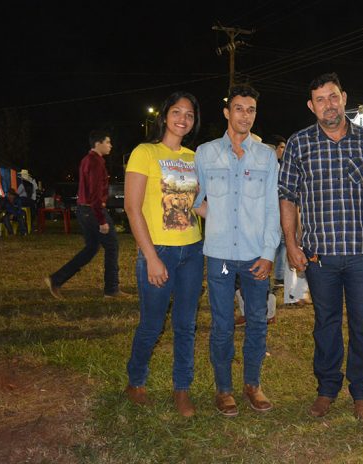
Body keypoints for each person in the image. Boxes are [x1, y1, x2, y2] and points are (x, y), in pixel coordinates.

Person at [278, 72, 363, 421]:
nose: (328, 105)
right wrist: (291, 243)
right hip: (320, 255)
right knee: (325, 323)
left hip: (362, 253)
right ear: (311, 106)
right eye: (320, 100)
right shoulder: (299, 144)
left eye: (333, 97)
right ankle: (327, 389)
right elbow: (288, 197)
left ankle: (362, 392)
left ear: (344, 98)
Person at [194, 84, 280, 417]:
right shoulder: (205, 153)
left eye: (251, 110)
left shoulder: (266, 156)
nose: (245, 115)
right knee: (222, 324)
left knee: (257, 320)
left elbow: (272, 207)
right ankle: (224, 389)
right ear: (227, 112)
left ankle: (252, 385)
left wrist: (269, 253)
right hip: (219, 255)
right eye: (239, 108)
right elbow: (195, 200)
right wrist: (217, 219)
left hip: (256, 254)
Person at [123, 91, 205, 417]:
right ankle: (136, 381)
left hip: (193, 251)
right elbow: (132, 208)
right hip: (158, 251)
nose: (183, 119)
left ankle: (182, 389)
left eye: (189, 114)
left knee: (186, 325)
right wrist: (151, 257)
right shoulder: (145, 152)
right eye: (177, 112)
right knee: (152, 324)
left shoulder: (194, 157)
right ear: (165, 116)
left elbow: (197, 205)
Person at [44, 130, 129, 299]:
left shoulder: (87, 160)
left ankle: (56, 279)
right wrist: (102, 220)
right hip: (93, 210)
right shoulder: (96, 162)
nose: (110, 145)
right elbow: (95, 193)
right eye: (108, 142)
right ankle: (111, 289)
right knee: (112, 246)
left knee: (91, 248)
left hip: (84, 210)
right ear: (98, 143)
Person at [268, 134, 287, 287]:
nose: (283, 150)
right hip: (270, 212)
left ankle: (279, 276)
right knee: (273, 244)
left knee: (282, 243)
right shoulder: (268, 166)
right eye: (281, 147)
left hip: (279, 210)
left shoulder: (279, 165)